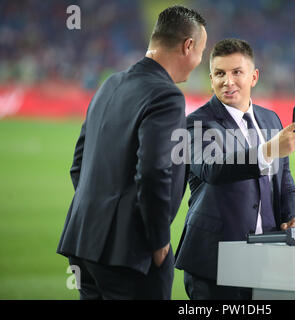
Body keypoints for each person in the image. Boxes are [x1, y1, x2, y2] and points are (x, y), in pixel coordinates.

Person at [56, 5, 207, 300]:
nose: (200, 60)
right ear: (188, 46)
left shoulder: (109, 84)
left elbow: (79, 164)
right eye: (202, 51)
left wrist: (103, 215)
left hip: (83, 242)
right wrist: (159, 239)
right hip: (132, 254)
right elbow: (153, 170)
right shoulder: (166, 95)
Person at [174, 38, 295, 299]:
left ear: (254, 76)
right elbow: (213, 168)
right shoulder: (196, 123)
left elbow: (284, 182)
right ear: (211, 78)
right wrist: (270, 149)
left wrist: (292, 216)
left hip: (267, 259)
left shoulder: (270, 118)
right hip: (214, 262)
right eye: (220, 74)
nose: (228, 81)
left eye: (237, 72)